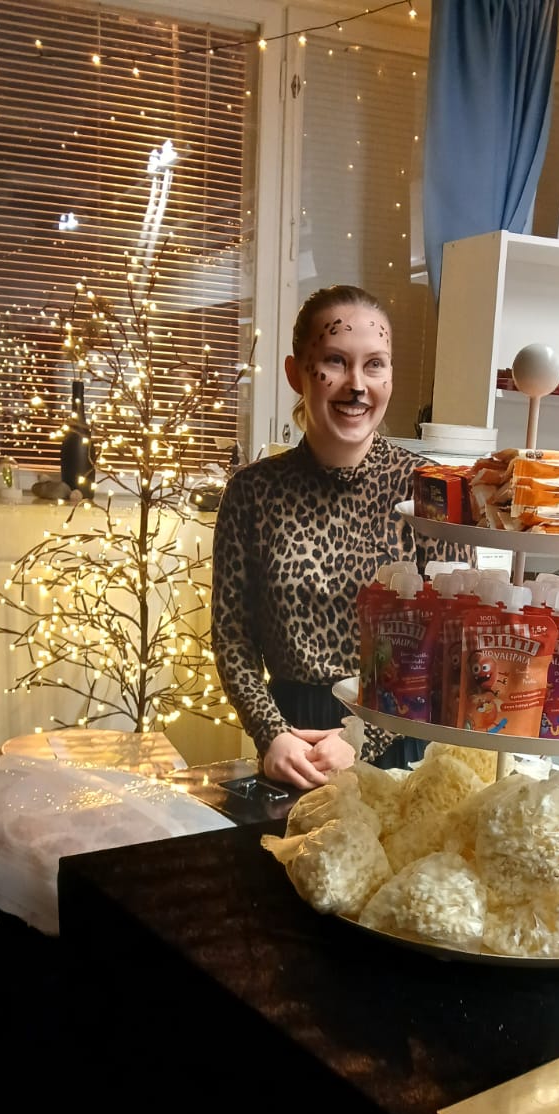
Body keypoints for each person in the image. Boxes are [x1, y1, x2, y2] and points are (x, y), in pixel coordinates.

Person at [211, 284, 471, 790]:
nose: (357, 385)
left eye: (374, 365)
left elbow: (454, 648)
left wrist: (360, 735)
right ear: (296, 373)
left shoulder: (432, 493)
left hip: (401, 738)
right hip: (295, 744)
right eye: (335, 361)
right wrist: (270, 734)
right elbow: (232, 636)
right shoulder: (252, 492)